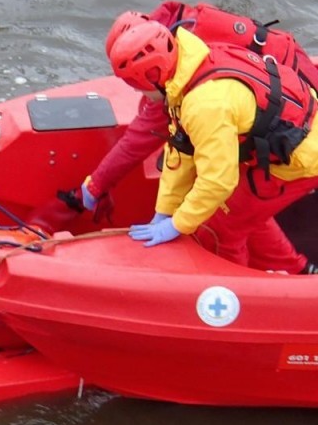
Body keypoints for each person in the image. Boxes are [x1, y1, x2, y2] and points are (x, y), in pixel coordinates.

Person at [103, 18, 318, 273]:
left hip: (300, 158)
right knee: (239, 210)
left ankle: (234, 295)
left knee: (219, 229)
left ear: (152, 77)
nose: (140, 94)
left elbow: (218, 182)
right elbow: (181, 150)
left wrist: (177, 224)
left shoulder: (204, 104)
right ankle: (299, 270)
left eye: (137, 86)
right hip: (287, 135)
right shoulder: (190, 67)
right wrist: (164, 210)